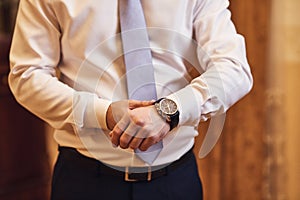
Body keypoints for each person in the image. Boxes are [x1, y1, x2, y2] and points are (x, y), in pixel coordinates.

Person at [8, 0, 253, 199]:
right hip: (84, 181)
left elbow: (233, 68)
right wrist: (103, 113)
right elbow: (27, 75)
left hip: (175, 182)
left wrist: (168, 112)